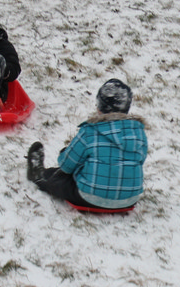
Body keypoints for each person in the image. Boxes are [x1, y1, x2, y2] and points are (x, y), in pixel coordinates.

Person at [26, 79, 147, 210]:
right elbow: (139, 160)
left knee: (60, 178)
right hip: (129, 199)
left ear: (99, 106)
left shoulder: (90, 131)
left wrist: (66, 153)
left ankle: (38, 176)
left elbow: (66, 165)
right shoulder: (139, 133)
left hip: (89, 198)